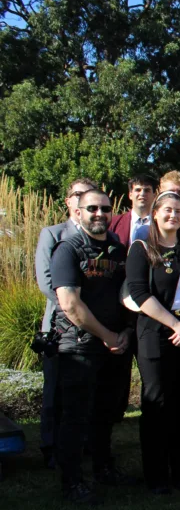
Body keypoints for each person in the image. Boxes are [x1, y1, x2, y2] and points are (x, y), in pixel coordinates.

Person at [127, 191, 180, 494]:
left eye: (178, 211)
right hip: (156, 337)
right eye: (167, 210)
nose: (173, 215)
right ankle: (156, 475)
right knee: (157, 405)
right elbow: (140, 294)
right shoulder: (142, 250)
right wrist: (174, 324)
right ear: (155, 213)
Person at [51, 189, 135, 504]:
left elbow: (129, 293)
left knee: (105, 413)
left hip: (113, 346)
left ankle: (103, 468)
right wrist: (107, 335)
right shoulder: (67, 249)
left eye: (105, 208)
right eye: (92, 208)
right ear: (78, 211)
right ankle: (72, 481)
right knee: (75, 416)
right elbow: (71, 305)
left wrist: (125, 330)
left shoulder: (117, 249)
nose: (99, 213)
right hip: (79, 347)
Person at [35, 177, 97, 468]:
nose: (83, 199)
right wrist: (75, 303)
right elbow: (47, 282)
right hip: (61, 327)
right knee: (56, 390)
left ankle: (83, 443)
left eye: (89, 194)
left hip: (93, 325)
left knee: (85, 391)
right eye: (78, 195)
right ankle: (51, 447)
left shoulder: (100, 236)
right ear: (69, 201)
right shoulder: (53, 234)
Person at [110, 173, 157, 245]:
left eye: (147, 190)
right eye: (138, 190)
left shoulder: (161, 223)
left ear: (154, 195)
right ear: (130, 195)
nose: (142, 194)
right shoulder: (114, 223)